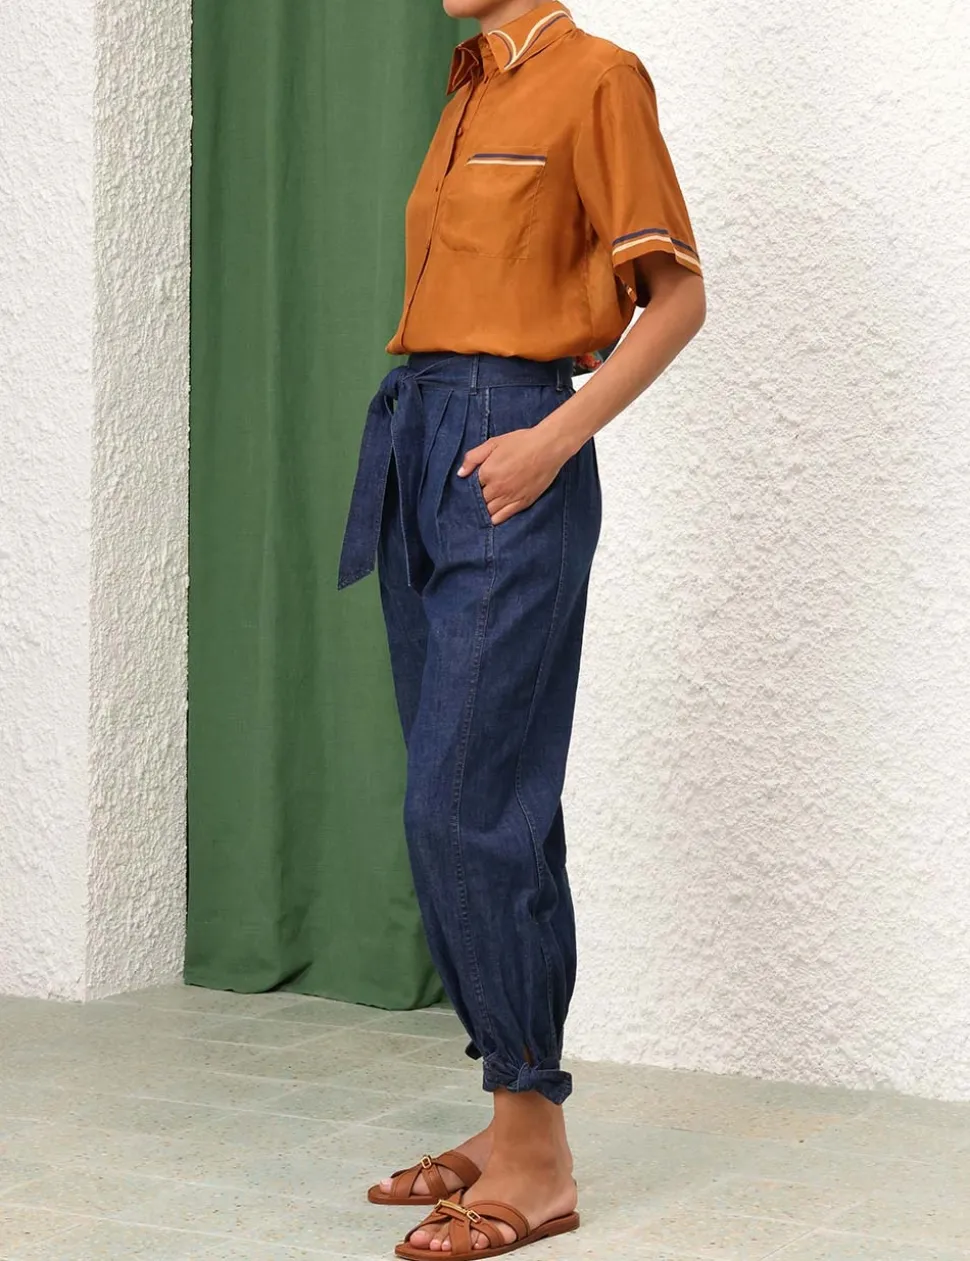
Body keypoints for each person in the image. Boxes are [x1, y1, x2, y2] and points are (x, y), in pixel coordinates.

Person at [338, 2, 705, 1255]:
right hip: (420, 442)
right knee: (485, 805)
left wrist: (553, 439)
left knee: (462, 805)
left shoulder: (599, 78)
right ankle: (510, 1119)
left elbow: (676, 298)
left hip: (512, 445)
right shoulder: (468, 88)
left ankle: (536, 1157)